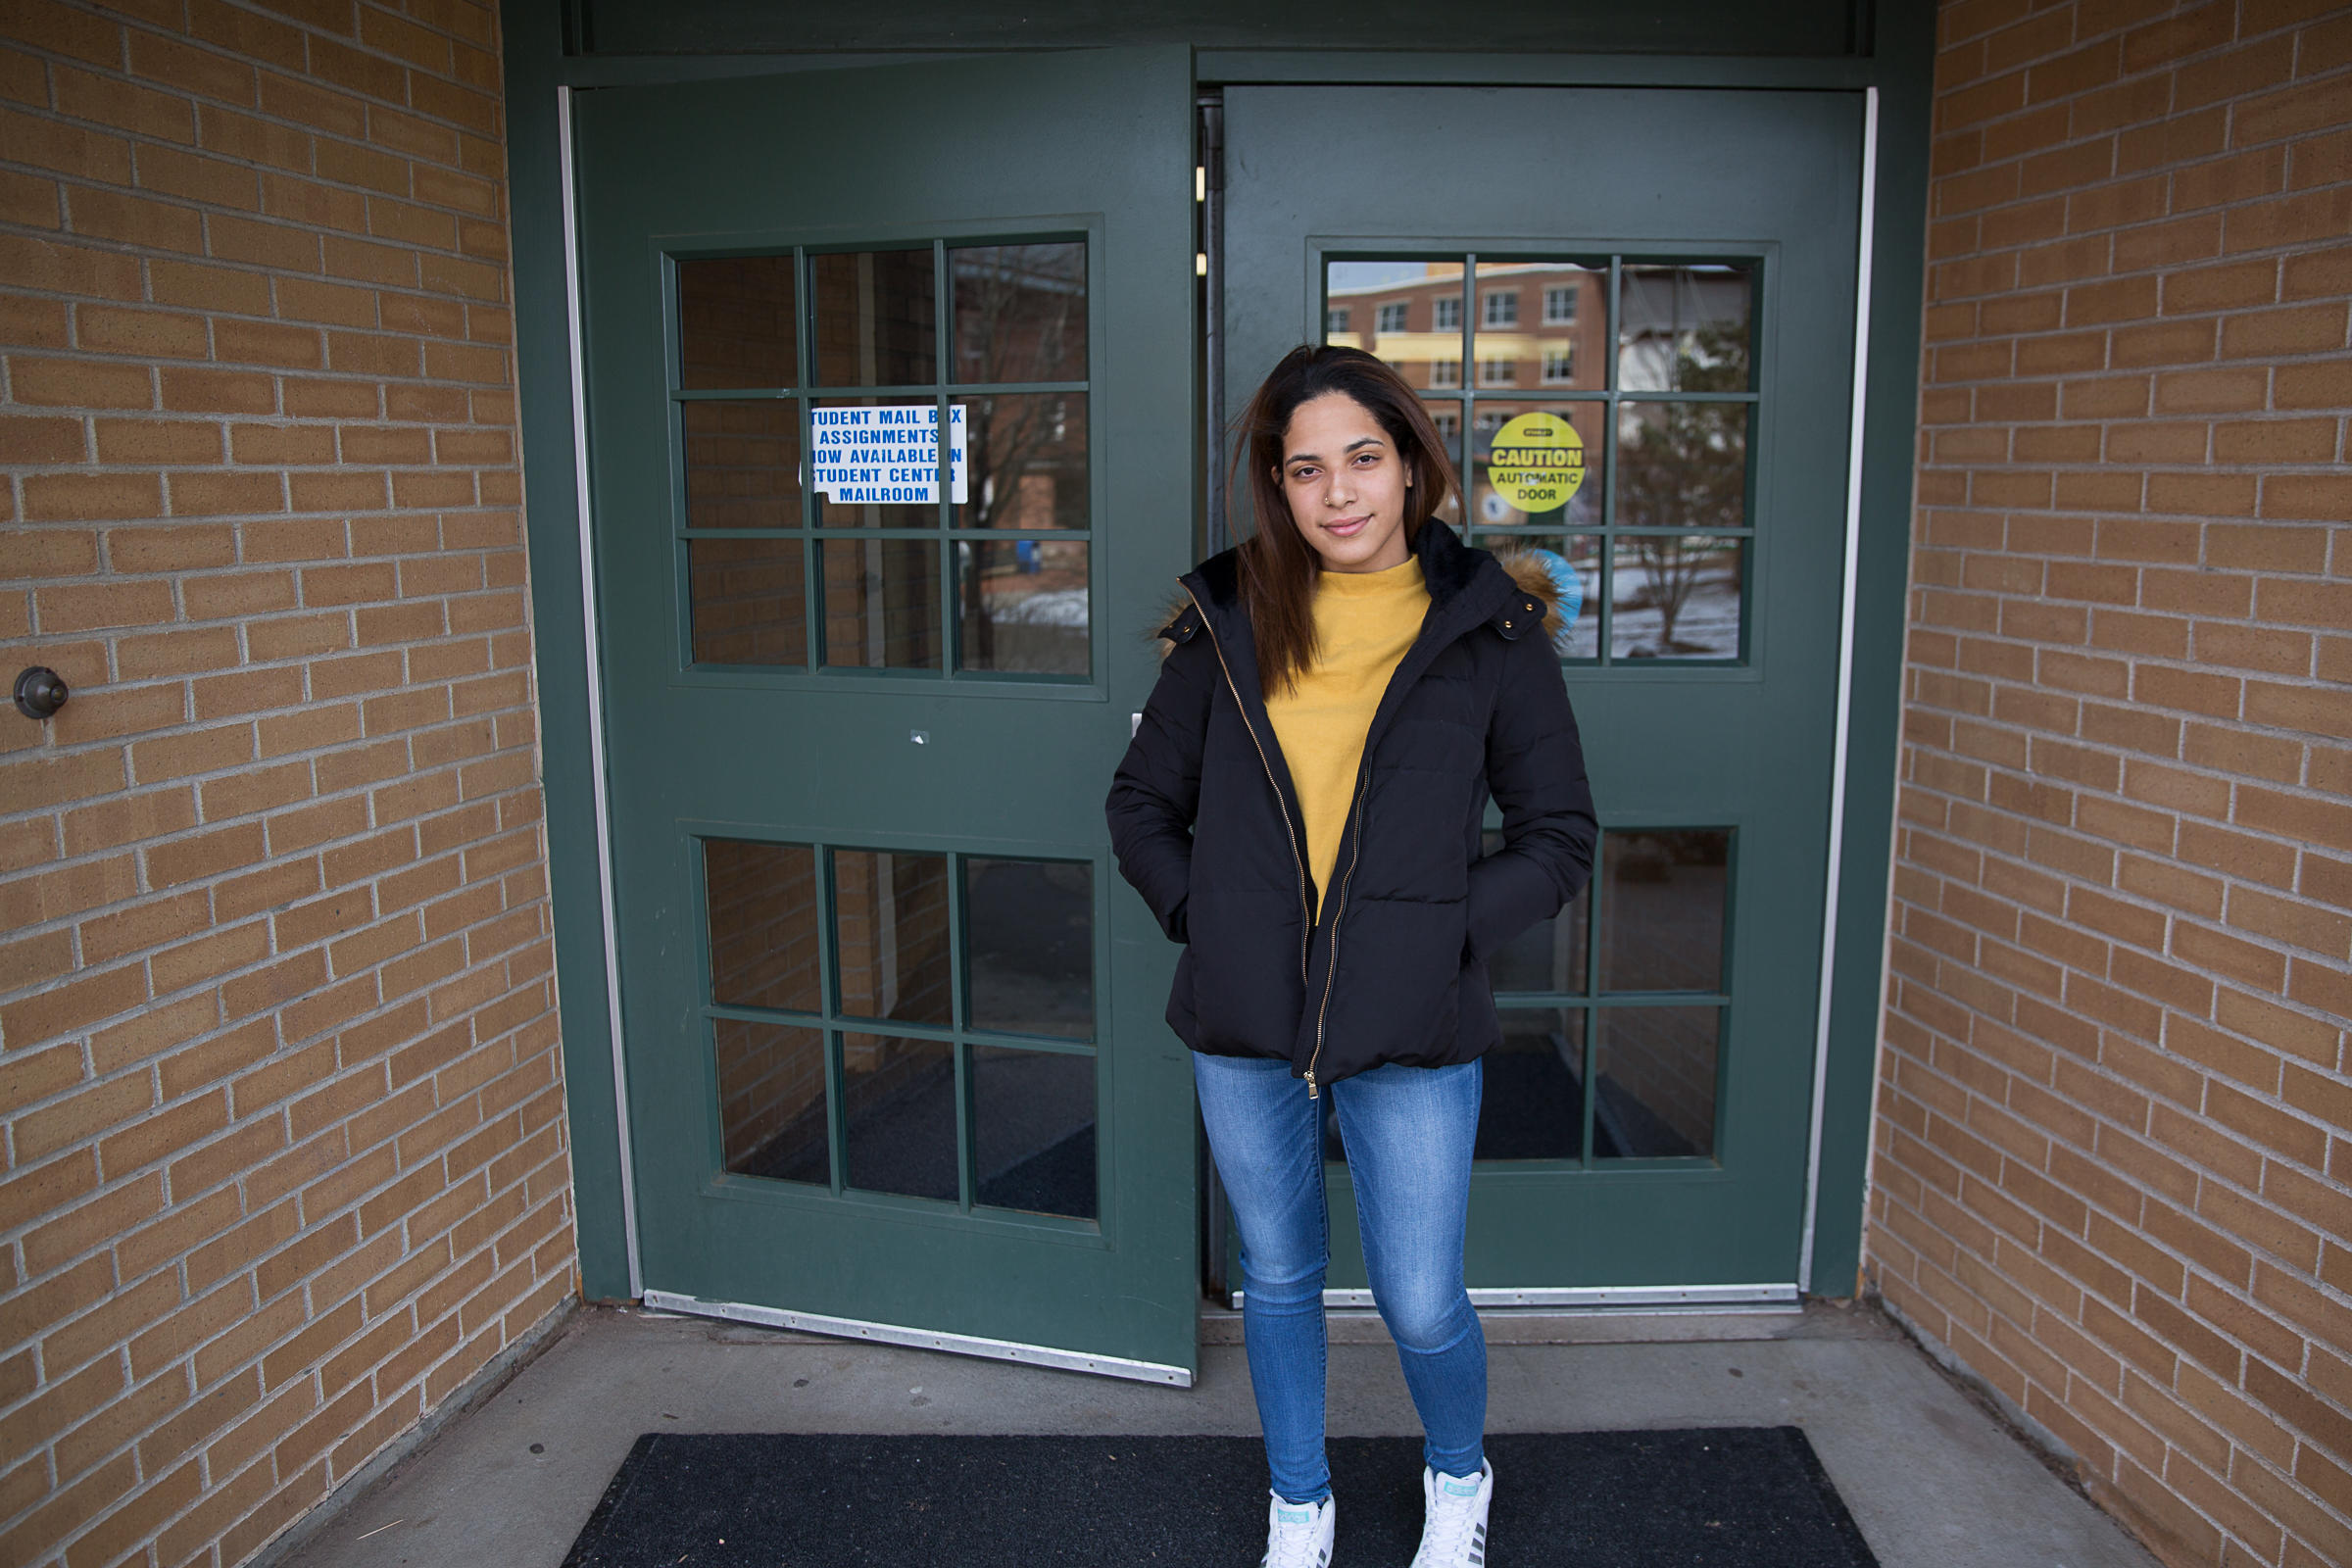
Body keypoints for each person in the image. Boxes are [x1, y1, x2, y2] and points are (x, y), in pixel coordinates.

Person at [1105, 344, 1597, 1568]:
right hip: (1246, 1015)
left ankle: (1457, 1479)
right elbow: (1138, 805)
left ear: (1411, 461)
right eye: (1305, 468)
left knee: (1421, 1297)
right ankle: (1299, 1501)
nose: (1338, 494)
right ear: (1277, 485)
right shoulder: (1224, 620)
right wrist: (1207, 919)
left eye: (1363, 460)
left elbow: (1559, 835)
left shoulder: (1491, 627)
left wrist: (1435, 936)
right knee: (1277, 1274)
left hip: (1416, 1017)